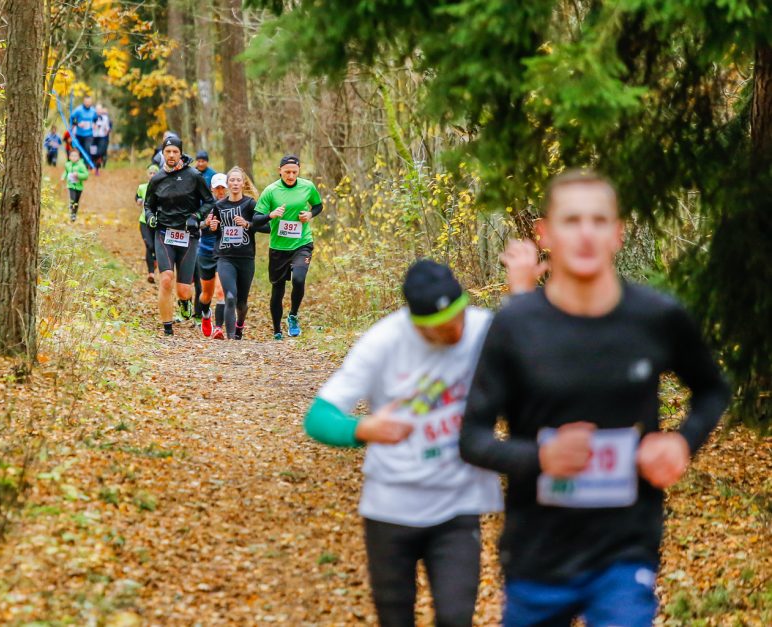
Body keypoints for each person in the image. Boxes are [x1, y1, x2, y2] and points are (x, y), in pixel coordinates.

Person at [459, 169, 731, 627]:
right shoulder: (515, 326)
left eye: (599, 220)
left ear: (618, 232)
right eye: (571, 221)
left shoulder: (656, 316)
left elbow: (712, 389)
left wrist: (682, 441)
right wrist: (543, 456)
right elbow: (472, 439)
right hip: (537, 553)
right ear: (545, 233)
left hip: (625, 549)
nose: (586, 234)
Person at [304, 248, 540, 627]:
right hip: (390, 508)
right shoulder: (382, 342)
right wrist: (361, 429)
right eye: (443, 328)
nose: (456, 331)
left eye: (459, 317)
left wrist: (522, 295)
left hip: (458, 506)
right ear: (416, 323)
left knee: (454, 618)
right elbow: (318, 417)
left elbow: (537, 354)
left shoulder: (482, 327)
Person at [143, 134, 215, 336]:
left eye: (175, 151)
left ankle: (185, 303)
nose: (172, 155)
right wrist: (150, 217)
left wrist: (196, 216)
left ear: (181, 153)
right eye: (168, 151)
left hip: (188, 236)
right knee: (166, 279)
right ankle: (167, 328)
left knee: (184, 290)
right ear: (162, 154)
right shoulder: (157, 179)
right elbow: (149, 205)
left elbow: (209, 202)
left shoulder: (193, 176)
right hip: (164, 233)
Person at [253, 155, 323, 340]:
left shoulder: (307, 186)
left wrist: (309, 214)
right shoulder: (271, 191)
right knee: (278, 289)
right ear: (280, 171)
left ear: (298, 172)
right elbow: (256, 219)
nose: (291, 175)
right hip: (278, 247)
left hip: (302, 243)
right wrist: (271, 215)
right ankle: (277, 329)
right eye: (287, 172)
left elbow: (318, 205)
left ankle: (293, 315)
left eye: (294, 172)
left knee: (299, 279)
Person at [207, 166, 266, 339]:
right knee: (230, 297)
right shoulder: (219, 205)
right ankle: (231, 338)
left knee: (241, 303)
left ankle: (240, 325)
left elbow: (266, 226)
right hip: (225, 257)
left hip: (246, 257)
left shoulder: (250, 204)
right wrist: (213, 228)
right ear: (227, 183)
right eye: (231, 180)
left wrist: (247, 224)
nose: (235, 183)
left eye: (238, 180)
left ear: (242, 183)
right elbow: (216, 231)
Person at [196, 173, 228, 338]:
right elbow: (194, 225)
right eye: (217, 188)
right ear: (212, 189)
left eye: (223, 188)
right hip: (206, 251)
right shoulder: (205, 204)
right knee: (206, 294)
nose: (220, 191)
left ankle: (218, 328)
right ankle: (206, 315)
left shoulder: (231, 205)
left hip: (223, 252)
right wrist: (205, 224)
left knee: (221, 291)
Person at [136, 163, 161, 283]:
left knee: (156, 246)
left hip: (158, 222)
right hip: (144, 221)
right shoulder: (142, 187)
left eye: (154, 173)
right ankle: (151, 273)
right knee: (149, 245)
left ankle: (155, 259)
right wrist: (139, 201)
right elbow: (137, 198)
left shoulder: (162, 187)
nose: (152, 175)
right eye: (150, 173)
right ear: (147, 174)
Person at [62, 149, 89, 222]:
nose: (74, 157)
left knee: (76, 202)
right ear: (69, 157)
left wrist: (78, 175)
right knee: (72, 199)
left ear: (79, 157)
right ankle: (71, 208)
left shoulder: (81, 165)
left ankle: (74, 214)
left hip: (79, 187)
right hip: (70, 185)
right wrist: (63, 177)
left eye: (75, 156)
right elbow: (66, 172)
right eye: (72, 156)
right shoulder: (67, 164)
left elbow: (86, 175)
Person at [69, 95, 98, 166]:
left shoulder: (93, 110)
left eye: (89, 102)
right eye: (86, 102)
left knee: (87, 149)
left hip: (89, 134)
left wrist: (94, 124)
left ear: (91, 102)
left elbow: (95, 118)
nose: (88, 103)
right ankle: (77, 165)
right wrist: (78, 123)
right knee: (78, 150)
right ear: (84, 102)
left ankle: (86, 165)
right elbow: (71, 119)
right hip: (79, 134)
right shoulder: (78, 110)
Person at [92, 104, 113, 171]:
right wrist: (94, 126)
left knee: (100, 151)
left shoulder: (105, 118)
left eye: (100, 109)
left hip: (102, 136)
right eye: (97, 109)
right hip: (94, 136)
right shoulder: (92, 117)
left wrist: (107, 130)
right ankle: (94, 164)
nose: (98, 111)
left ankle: (99, 163)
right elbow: (90, 126)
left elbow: (107, 127)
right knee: (93, 151)